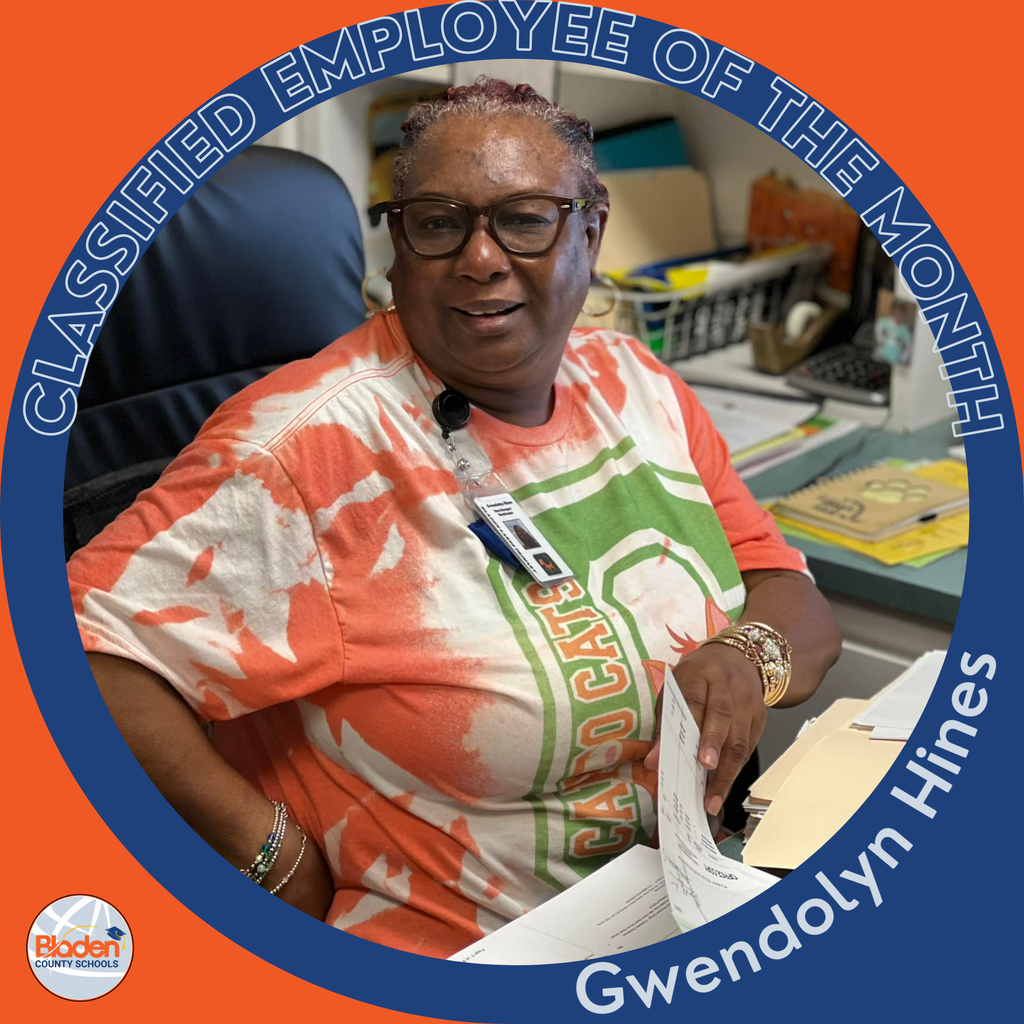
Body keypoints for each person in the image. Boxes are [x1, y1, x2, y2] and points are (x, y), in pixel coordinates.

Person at [68, 78, 841, 959]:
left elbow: (791, 594)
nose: (479, 257)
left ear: (590, 233)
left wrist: (749, 654)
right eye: (439, 222)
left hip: (674, 900)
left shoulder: (636, 383)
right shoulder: (300, 453)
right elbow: (69, 654)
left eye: (525, 219)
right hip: (456, 950)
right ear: (397, 248)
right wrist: (273, 861)